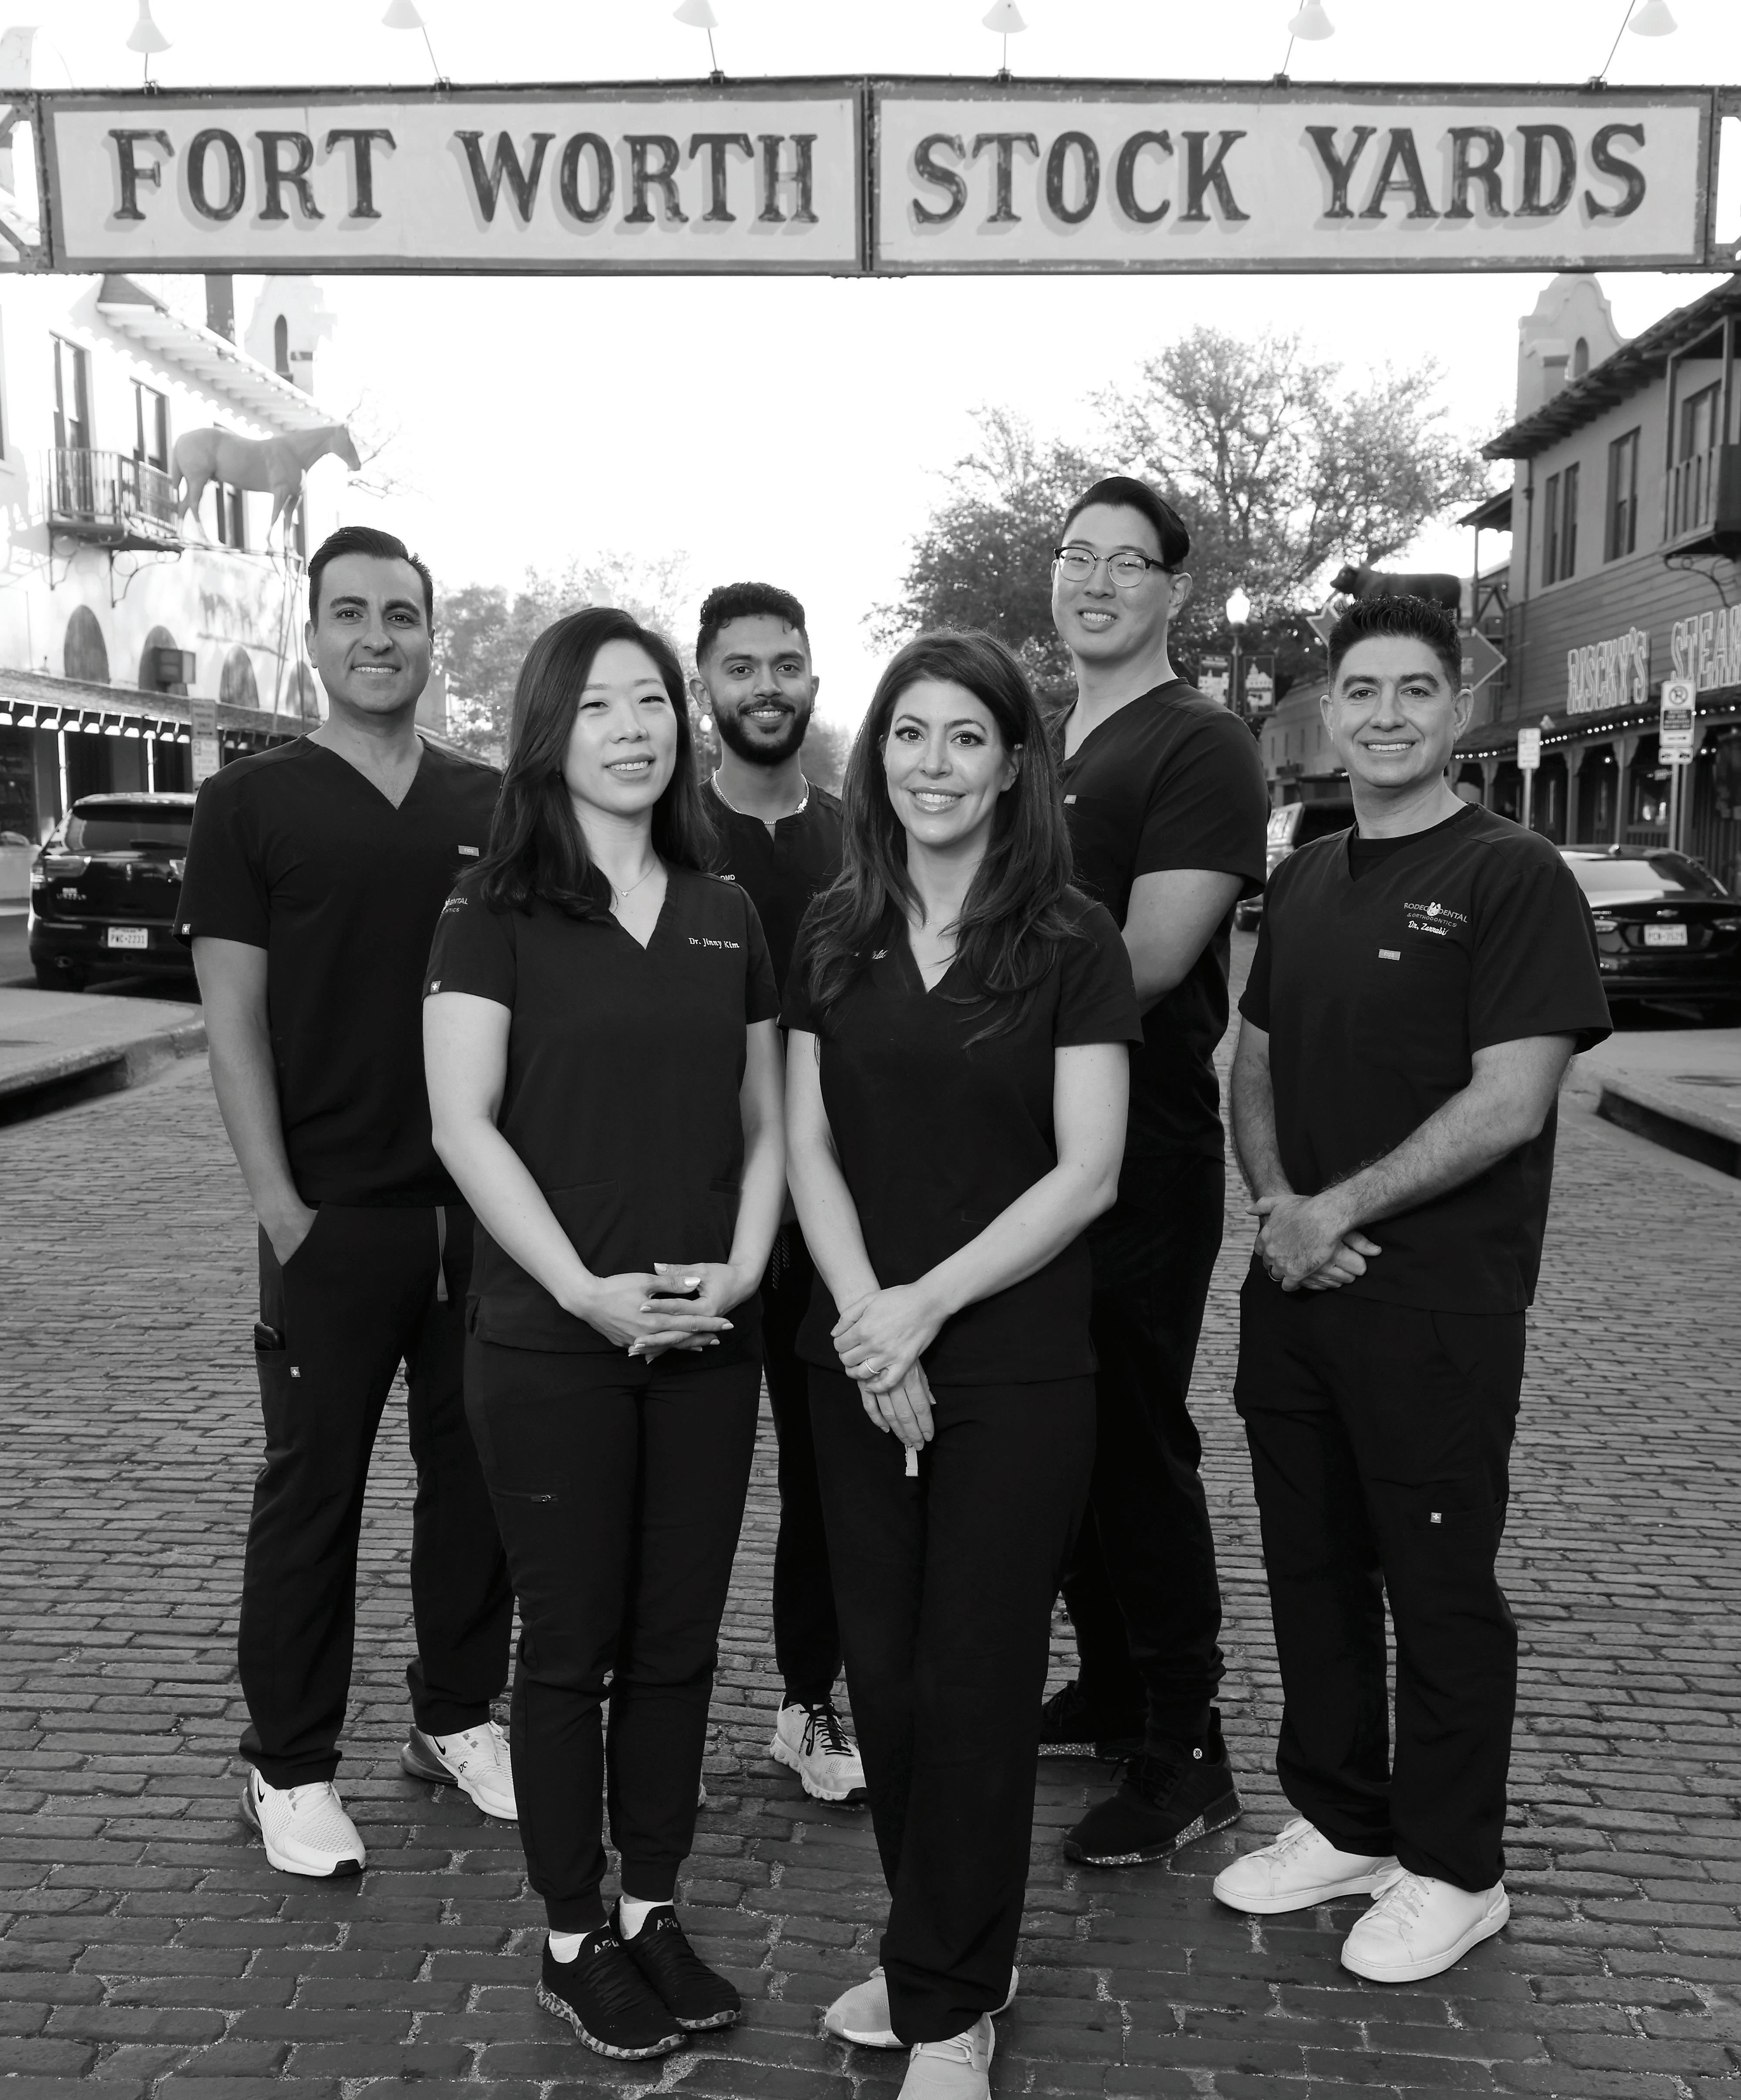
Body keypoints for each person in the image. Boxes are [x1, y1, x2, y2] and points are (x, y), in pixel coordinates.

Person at [1219, 592, 1609, 1982]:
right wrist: (1281, 1206)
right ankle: (1345, 1822)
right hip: (1296, 1291)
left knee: (1438, 1585)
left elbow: (1511, 1101)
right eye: (1363, 692)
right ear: (1329, 713)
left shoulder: (1515, 876)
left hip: (1438, 1305)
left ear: (1461, 708)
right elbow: (1253, 1060)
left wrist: (1337, 1208)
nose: (1386, 716)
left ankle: (1455, 1868)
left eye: (1415, 691)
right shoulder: (1309, 875)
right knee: (1312, 1571)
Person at [423, 607, 785, 2062]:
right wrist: (582, 1287)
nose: (634, 731)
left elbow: (769, 1121)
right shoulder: (490, 911)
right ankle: (573, 1937)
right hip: (550, 1340)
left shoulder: (725, 909)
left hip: (706, 1341)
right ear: (547, 733)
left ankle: (650, 1909)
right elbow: (464, 1125)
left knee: (679, 1643)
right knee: (570, 1646)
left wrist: (745, 1268)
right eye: (598, 707)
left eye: (651, 704)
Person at [785, 631, 1140, 2100]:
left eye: (966, 737)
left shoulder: (1071, 938)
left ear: (1012, 766)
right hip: (858, 1353)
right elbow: (806, 1143)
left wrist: (923, 1309)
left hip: (1014, 1366)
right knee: (885, 1681)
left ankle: (949, 2008)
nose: (933, 764)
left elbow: (1089, 1172)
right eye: (909, 734)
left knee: (975, 1682)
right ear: (878, 757)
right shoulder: (833, 927)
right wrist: (871, 1323)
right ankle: (942, 1952)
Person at [178, 525, 514, 1880]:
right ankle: (290, 1766)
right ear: (312, 633)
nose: (380, 637)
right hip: (330, 1216)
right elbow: (231, 1023)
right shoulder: (249, 804)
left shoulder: (494, 802)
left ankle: (456, 1717)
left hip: (478, 1214)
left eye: (403, 615)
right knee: (313, 1493)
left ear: (434, 636)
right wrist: (279, 1205)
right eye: (353, 613)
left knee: (476, 1484)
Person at [1041, 476, 1270, 1868]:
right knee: (1057, 1431)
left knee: (1132, 1440)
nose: (1098, 581)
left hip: (1143, 1150)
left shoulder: (1201, 744)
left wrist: (964, 1026)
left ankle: (1190, 1748)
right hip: (1028, 1146)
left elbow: (1148, 960)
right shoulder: (1038, 737)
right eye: (1079, 556)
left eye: (1130, 562)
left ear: (1174, 590)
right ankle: (1115, 1684)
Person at [689, 580, 863, 1807]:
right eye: (741, 667)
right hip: (691, 1211)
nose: (767, 687)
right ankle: (644, 1707)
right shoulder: (660, 829)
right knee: (677, 1482)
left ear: (813, 679)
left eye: (785, 665)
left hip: (833, 1216)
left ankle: (811, 1702)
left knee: (826, 1481)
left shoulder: (865, 838)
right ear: (704, 684)